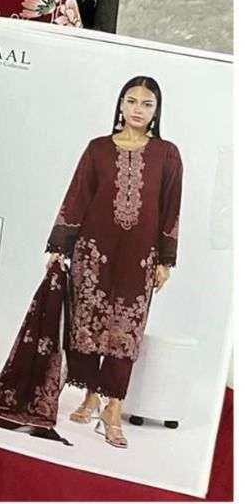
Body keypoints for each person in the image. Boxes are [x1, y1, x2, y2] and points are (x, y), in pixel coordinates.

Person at [46, 76, 181, 449]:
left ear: (156, 111)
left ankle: (114, 408)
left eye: (147, 103)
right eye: (131, 100)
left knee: (126, 331)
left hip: (140, 257)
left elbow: (171, 209)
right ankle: (91, 395)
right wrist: (60, 246)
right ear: (121, 104)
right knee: (87, 324)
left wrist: (166, 260)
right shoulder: (98, 149)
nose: (138, 109)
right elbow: (77, 197)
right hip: (93, 251)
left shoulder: (167, 154)